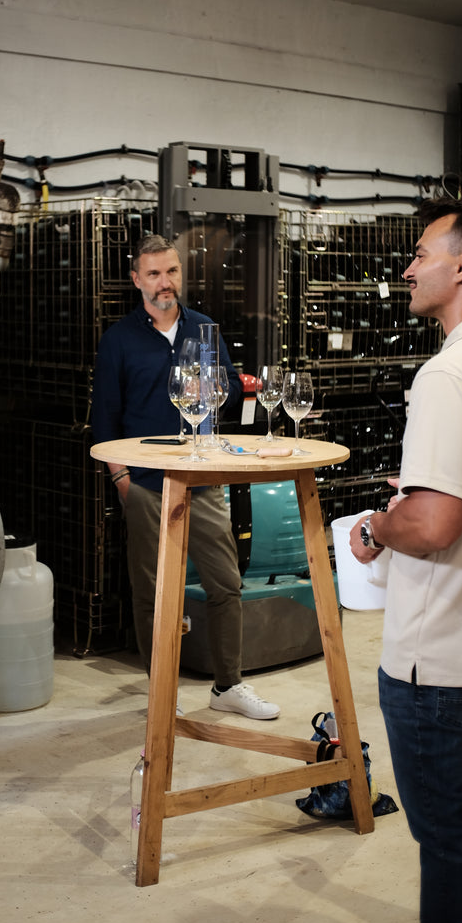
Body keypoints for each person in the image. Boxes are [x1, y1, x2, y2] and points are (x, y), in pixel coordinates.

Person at [349, 197, 462, 923]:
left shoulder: (449, 372)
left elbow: (438, 522)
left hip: (439, 653)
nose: (408, 269)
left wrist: (383, 524)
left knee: (448, 829)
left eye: (420, 254)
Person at [92, 233, 279, 720]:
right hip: (145, 483)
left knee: (226, 583)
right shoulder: (118, 341)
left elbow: (232, 390)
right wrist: (121, 480)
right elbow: (105, 420)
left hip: (202, 476)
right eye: (154, 273)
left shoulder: (204, 329)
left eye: (171, 271)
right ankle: (162, 693)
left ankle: (228, 686)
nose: (165, 282)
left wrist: (219, 387)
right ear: (136, 280)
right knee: (153, 593)